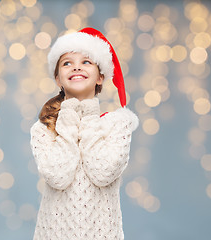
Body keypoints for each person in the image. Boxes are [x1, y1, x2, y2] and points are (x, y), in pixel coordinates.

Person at [30, 27, 139, 240]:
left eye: (86, 62)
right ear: (58, 79)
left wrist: (89, 115)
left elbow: (103, 172)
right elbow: (58, 176)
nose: (76, 67)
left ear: (100, 77)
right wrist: (69, 116)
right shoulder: (44, 129)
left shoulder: (118, 124)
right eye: (67, 63)